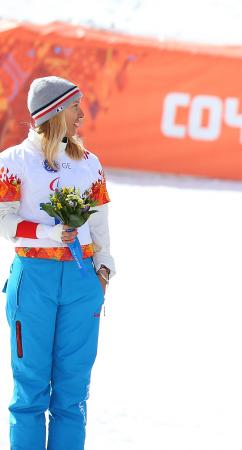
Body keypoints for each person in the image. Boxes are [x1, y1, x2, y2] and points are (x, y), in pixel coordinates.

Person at [0, 76, 115, 450]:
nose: (82, 114)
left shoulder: (89, 163)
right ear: (54, 113)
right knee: (30, 390)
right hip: (34, 278)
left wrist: (103, 272)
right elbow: (4, 219)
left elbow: (99, 223)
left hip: (82, 281)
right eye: (75, 107)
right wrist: (48, 233)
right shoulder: (13, 162)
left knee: (72, 395)